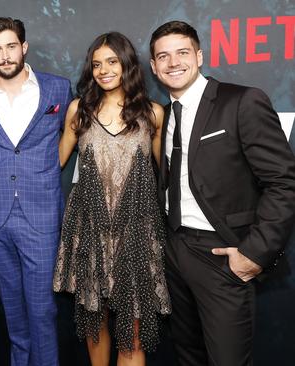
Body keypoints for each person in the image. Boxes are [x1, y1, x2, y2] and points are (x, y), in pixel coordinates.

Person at [149, 20, 295, 366]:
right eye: (163, 56)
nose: (173, 63)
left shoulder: (242, 101)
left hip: (222, 254)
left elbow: (284, 182)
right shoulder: (164, 116)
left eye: (182, 52)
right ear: (153, 67)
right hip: (174, 251)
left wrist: (254, 254)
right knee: (188, 356)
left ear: (199, 56)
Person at [53, 32, 171, 366]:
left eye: (111, 61)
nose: (103, 70)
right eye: (96, 64)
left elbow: (167, 177)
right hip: (90, 229)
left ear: (127, 64)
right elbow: (54, 164)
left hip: (136, 230)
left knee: (132, 327)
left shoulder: (153, 113)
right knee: (96, 321)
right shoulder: (80, 110)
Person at [0, 17, 72, 366]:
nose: (5, 55)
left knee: (42, 310)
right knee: (12, 311)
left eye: (11, 46)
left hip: (41, 215)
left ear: (24, 47)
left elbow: (73, 138)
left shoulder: (58, 89)